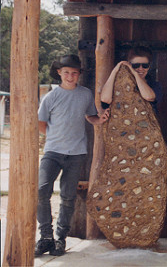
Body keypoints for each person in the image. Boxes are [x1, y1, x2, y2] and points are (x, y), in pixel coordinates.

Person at [36, 54, 109, 256]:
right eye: (66, 72)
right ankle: (45, 237)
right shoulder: (50, 97)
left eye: (74, 73)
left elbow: (90, 116)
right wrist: (56, 138)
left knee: (68, 197)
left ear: (79, 75)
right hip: (52, 152)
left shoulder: (85, 94)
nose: (70, 76)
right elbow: (41, 123)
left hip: (76, 153)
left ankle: (60, 239)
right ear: (59, 73)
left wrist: (100, 119)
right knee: (42, 192)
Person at [101, 46, 162, 113]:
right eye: (136, 65)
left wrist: (135, 74)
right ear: (129, 65)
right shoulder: (119, 84)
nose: (141, 69)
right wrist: (115, 71)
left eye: (145, 66)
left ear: (149, 66)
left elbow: (149, 97)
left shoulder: (154, 85)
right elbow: (105, 100)